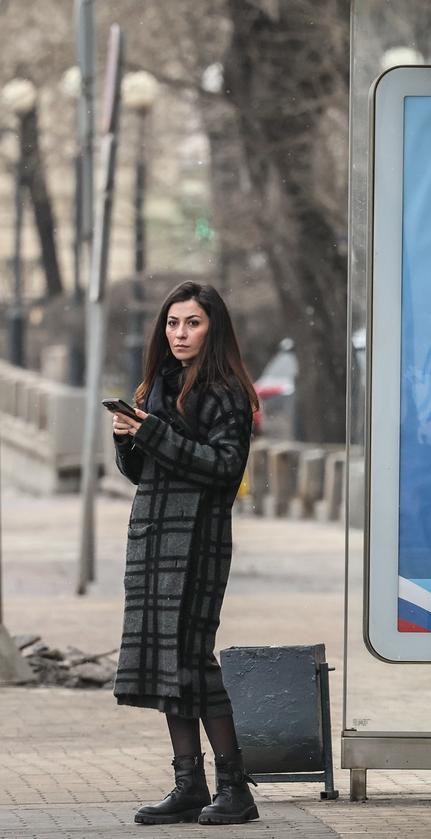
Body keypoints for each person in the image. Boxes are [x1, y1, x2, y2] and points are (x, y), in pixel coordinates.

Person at [110, 282, 260, 825]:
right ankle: (189, 785)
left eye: (191, 323)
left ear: (212, 327)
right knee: (167, 665)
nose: (179, 334)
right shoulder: (155, 387)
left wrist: (152, 432)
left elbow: (224, 468)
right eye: (173, 324)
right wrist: (128, 437)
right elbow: (140, 473)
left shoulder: (226, 392)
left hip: (198, 540)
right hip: (152, 539)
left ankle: (235, 788)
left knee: (194, 660)